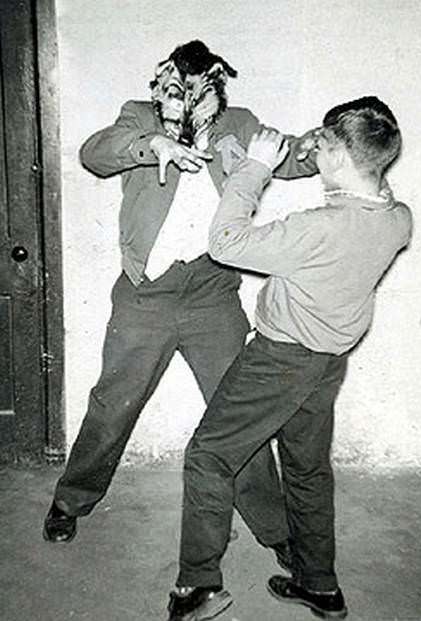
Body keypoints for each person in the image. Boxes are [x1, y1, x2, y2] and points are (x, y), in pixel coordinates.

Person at [42, 39, 318, 563]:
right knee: (113, 403)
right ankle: (70, 500)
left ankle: (275, 527)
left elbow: (287, 156)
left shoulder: (237, 122)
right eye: (179, 88)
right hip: (145, 295)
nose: (191, 97)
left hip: (213, 293)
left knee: (239, 411)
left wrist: (328, 144)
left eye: (204, 88)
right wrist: (153, 145)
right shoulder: (138, 116)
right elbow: (94, 153)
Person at [167, 96, 412, 621]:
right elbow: (365, 182)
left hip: (278, 361)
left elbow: (225, 242)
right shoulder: (397, 219)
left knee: (209, 456)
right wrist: (307, 147)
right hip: (327, 364)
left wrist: (255, 169)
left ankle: (198, 587)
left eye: (323, 144)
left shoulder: (317, 228)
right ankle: (319, 585)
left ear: (344, 158)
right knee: (306, 469)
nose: (314, 150)